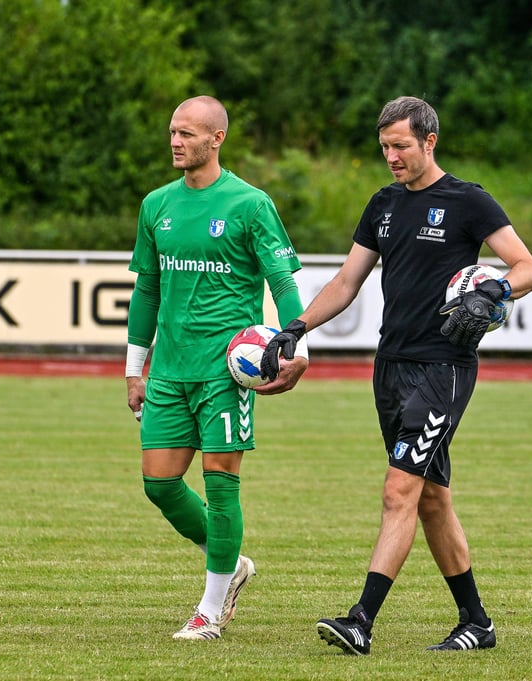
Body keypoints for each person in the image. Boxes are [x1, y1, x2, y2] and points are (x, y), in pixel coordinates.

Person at [256, 95, 532, 655]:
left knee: (398, 490)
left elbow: (529, 268)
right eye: (385, 147)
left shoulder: (468, 201)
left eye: (401, 146)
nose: (392, 156)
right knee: (432, 499)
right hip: (390, 368)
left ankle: (361, 619)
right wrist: (295, 327)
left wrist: (495, 288)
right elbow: (346, 282)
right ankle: (477, 623)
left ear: (429, 142)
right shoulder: (383, 204)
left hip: (444, 368)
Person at [125, 95, 309, 641]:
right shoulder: (155, 204)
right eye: (172, 132)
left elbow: (283, 283)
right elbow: (147, 288)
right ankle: (230, 563)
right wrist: (136, 368)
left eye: (187, 133)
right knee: (158, 485)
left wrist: (296, 348)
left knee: (222, 483)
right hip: (169, 372)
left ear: (217, 138)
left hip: (227, 375)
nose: (176, 141)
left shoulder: (251, 205)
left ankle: (209, 610)